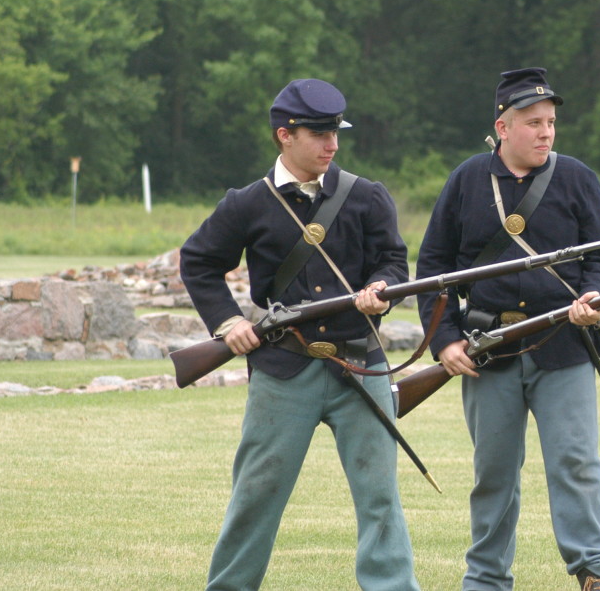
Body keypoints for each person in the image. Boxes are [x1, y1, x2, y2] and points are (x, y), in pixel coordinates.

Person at [180, 78, 420, 591]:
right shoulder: (247, 203)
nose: (332, 144)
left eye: (335, 132)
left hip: (361, 364)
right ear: (284, 135)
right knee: (256, 495)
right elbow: (199, 262)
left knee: (380, 498)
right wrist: (229, 323)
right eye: (319, 133)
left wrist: (384, 288)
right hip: (283, 370)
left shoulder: (367, 196)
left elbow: (394, 263)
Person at [416, 67, 600, 591]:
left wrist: (593, 299)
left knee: (576, 462)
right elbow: (433, 271)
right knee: (493, 475)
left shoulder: (577, 177)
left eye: (551, 122)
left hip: (564, 345)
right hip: (488, 353)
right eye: (533, 122)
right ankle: (485, 579)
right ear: (502, 128)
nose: (546, 132)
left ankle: (595, 570)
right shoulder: (466, 179)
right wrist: (444, 341)